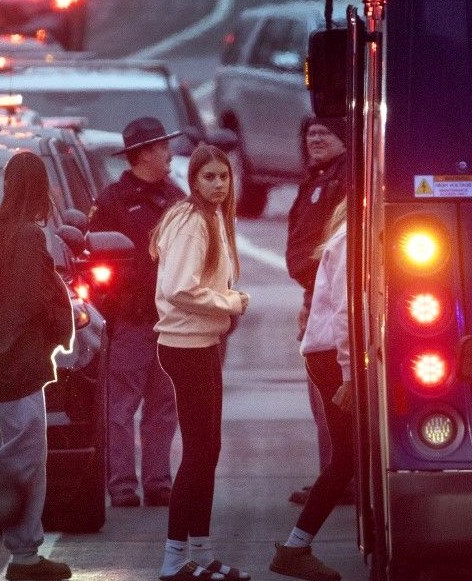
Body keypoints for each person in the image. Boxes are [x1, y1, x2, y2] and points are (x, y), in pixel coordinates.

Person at [0, 151, 73, 581]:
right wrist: (59, 319)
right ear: (38, 186)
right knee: (24, 454)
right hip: (14, 358)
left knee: (29, 453)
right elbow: (30, 299)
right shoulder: (29, 235)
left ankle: (26, 554)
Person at [151, 144, 251, 581]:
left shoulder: (209, 218)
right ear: (193, 181)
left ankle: (201, 553)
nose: (216, 184)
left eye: (223, 177)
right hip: (185, 345)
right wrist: (230, 302)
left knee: (207, 451)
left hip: (200, 342)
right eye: (208, 177)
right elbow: (178, 287)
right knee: (199, 453)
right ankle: (174, 559)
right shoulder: (192, 222)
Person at [90, 116, 184, 508]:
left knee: (164, 406)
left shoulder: (177, 199)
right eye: (162, 147)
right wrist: (111, 309)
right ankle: (123, 485)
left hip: (170, 322)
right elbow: (93, 259)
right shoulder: (111, 201)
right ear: (143, 154)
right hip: (130, 322)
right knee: (121, 408)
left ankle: (159, 482)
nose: (169, 153)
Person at [270, 202, 350, 581]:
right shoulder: (351, 239)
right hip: (333, 356)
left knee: (350, 456)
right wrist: (349, 374)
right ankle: (294, 548)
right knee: (347, 457)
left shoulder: (343, 235)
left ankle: (295, 547)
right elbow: (345, 311)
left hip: (329, 355)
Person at [285, 117, 348, 505]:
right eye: (310, 133)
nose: (315, 139)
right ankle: (333, 474)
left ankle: (339, 476)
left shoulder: (344, 179)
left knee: (330, 390)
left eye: (325, 133)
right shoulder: (317, 177)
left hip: (332, 291)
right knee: (321, 394)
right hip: (316, 290)